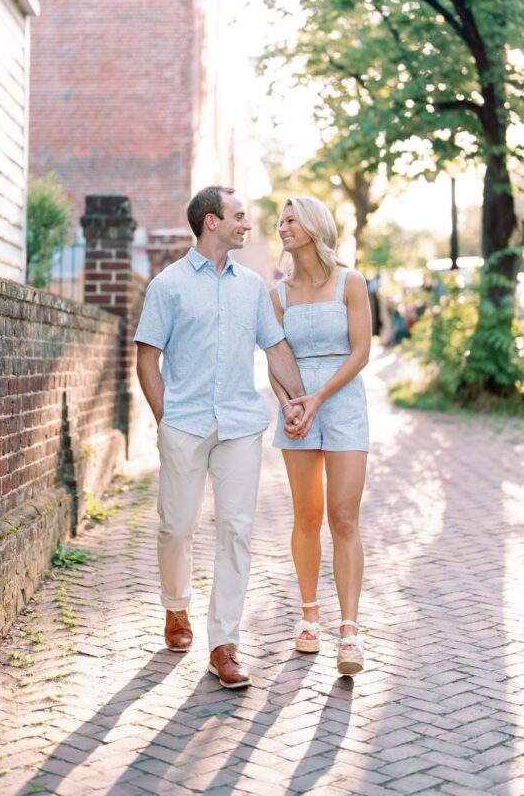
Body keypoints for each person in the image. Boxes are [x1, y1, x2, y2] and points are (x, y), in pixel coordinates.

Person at [135, 186, 307, 689]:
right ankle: (176, 606)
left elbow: (274, 348)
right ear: (211, 222)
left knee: (235, 531)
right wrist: (165, 419)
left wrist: (299, 402)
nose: (246, 224)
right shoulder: (167, 286)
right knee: (177, 526)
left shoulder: (251, 286)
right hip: (184, 424)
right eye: (238, 215)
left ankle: (223, 644)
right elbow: (147, 357)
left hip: (239, 426)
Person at [269, 197, 371, 675]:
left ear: (313, 226)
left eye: (291, 220)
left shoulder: (351, 283)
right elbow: (274, 355)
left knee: (344, 517)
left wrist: (320, 397)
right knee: (306, 515)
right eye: (282, 220)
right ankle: (309, 616)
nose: (282, 226)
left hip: (343, 402)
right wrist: (291, 403)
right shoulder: (278, 294)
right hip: (297, 409)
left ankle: (349, 630)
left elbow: (361, 351)